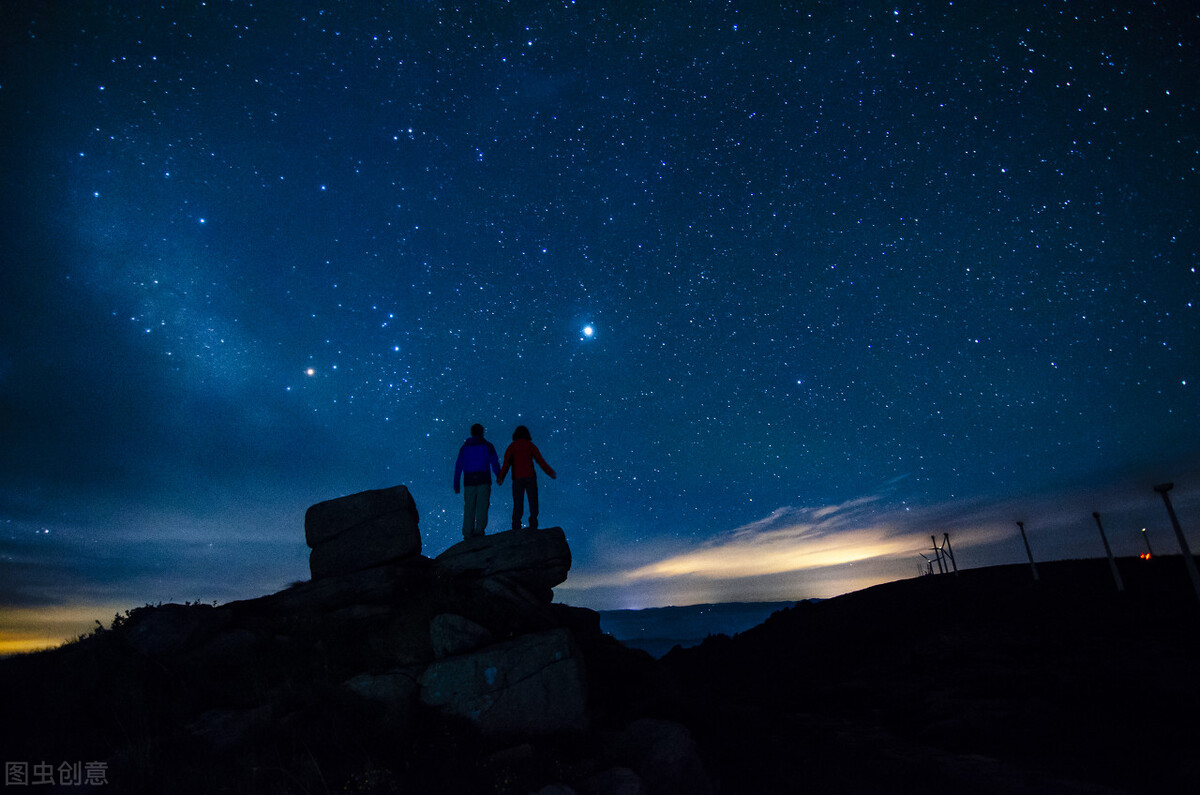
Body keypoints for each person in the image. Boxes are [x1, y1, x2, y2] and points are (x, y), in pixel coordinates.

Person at [497, 425, 556, 531]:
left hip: (517, 478)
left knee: (518, 502)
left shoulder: (512, 446)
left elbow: (506, 464)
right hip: (530, 477)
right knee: (533, 500)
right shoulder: (530, 445)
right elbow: (540, 460)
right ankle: (533, 522)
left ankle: (516, 524)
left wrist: (501, 477)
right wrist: (550, 472)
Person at [453, 423, 502, 539]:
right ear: (482, 432)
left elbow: (458, 466)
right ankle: (479, 531)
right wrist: (499, 476)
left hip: (469, 480)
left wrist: (456, 483)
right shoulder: (488, 446)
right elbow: (494, 462)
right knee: (482, 506)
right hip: (484, 479)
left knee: (469, 506)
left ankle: (467, 533)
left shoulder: (464, 447)